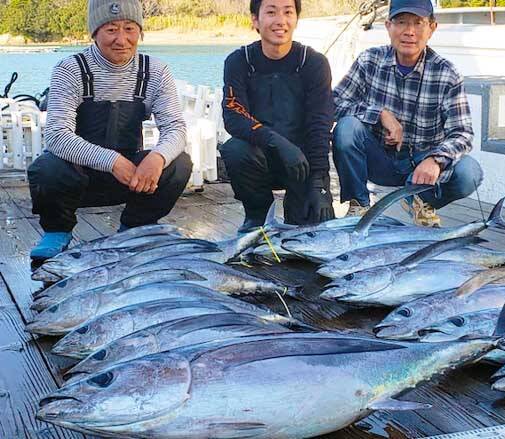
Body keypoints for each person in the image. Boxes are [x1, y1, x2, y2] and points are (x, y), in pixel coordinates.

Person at [27, 0, 191, 263]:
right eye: (111, 29)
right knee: (46, 168)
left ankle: (134, 228)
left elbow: (176, 128)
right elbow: (57, 135)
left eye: (129, 28)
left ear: (140, 31)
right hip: (78, 178)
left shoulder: (155, 71)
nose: (122, 39)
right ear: (94, 33)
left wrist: (157, 158)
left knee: (179, 163)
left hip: (130, 179)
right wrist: (111, 161)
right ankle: (58, 230)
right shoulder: (69, 69)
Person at [332, 0, 483, 227]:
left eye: (418, 23)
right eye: (401, 22)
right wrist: (380, 114)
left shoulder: (447, 73)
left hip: (423, 166)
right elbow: (333, 103)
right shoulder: (369, 60)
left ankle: (421, 200)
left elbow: (462, 133)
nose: (409, 32)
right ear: (388, 26)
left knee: (469, 172)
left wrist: (435, 159)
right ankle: (359, 206)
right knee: (346, 128)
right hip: (380, 159)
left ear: (432, 28)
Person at [220, 0, 335, 231]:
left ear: (296, 19)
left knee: (311, 231)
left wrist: (318, 183)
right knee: (234, 149)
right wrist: (278, 143)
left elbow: (320, 125)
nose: (280, 20)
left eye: (287, 12)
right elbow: (234, 116)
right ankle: (256, 215)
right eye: (271, 12)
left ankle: (304, 201)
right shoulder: (239, 61)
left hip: (303, 163)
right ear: (255, 19)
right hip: (260, 157)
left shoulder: (313, 62)